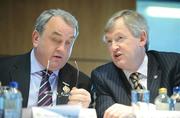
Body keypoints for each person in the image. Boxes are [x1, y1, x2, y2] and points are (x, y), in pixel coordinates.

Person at [91, 9, 180, 118]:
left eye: (120, 38)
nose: (113, 47)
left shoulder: (173, 64)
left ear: (142, 38)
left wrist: (137, 112)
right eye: (109, 41)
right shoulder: (103, 75)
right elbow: (105, 113)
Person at [0, 9, 92, 108]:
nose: (62, 49)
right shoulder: (3, 69)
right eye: (56, 39)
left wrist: (82, 112)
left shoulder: (81, 82)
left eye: (68, 42)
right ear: (36, 38)